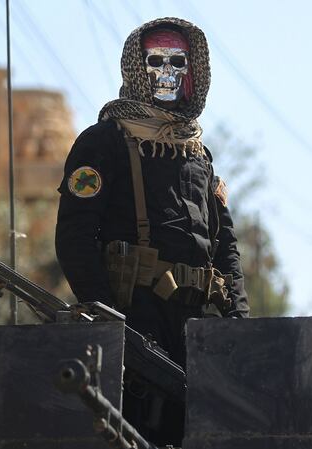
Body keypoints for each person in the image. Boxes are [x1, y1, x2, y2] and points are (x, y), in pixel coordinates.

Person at [55, 17, 249, 445]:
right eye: (155, 61)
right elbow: (74, 239)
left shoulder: (198, 154)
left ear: (192, 73)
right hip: (136, 323)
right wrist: (112, 326)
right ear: (136, 70)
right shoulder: (103, 142)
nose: (167, 73)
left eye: (177, 62)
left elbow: (226, 248)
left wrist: (240, 327)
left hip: (198, 331)